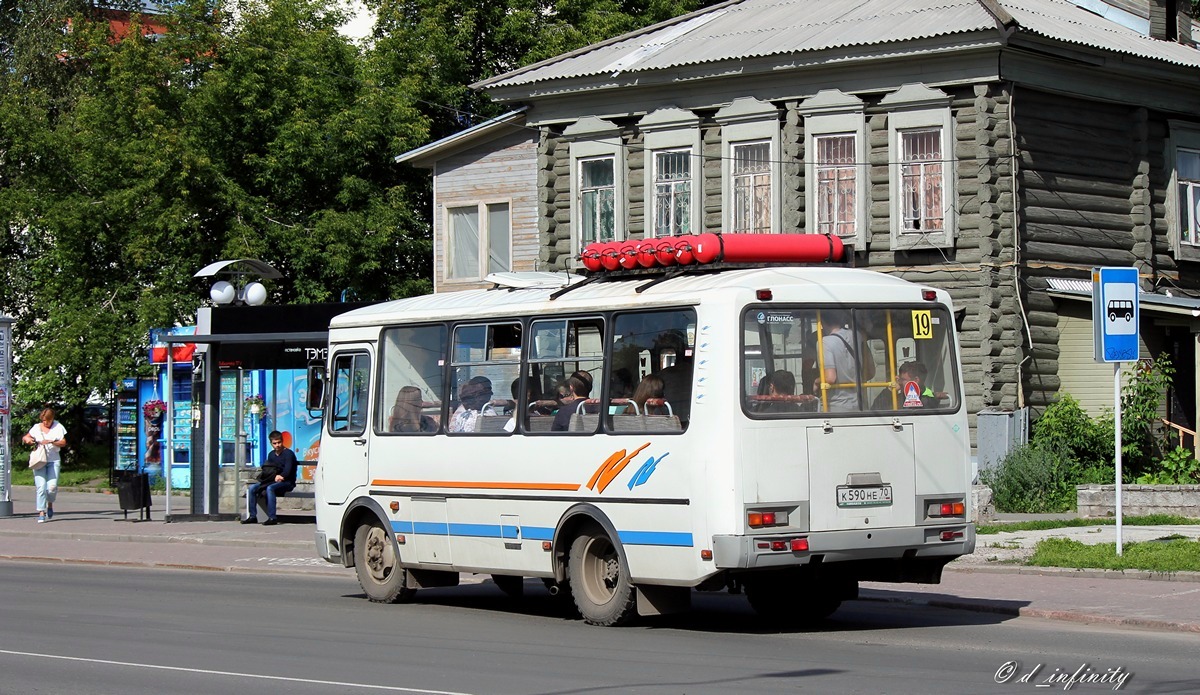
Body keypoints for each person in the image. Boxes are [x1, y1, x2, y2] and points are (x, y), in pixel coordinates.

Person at [242, 431, 297, 526]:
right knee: (252, 488)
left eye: (279, 442)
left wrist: (281, 476)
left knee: (270, 488)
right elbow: (269, 469)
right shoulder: (271, 454)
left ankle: (272, 517)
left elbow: (288, 471)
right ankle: (252, 516)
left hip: (287, 482)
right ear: (271, 443)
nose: (277, 445)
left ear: (282, 441)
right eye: (275, 443)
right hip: (271, 480)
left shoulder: (289, 454)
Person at [23, 407, 66, 523]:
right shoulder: (37, 428)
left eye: (47, 421)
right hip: (39, 460)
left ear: (52, 419)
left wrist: (52, 441)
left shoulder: (58, 427)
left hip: (53, 460)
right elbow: (26, 437)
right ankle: (41, 512)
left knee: (51, 487)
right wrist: (29, 440)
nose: (45, 423)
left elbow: (63, 442)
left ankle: (50, 504)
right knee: (41, 487)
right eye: (43, 421)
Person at [820, 311, 863, 412]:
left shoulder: (825, 342)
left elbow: (830, 378)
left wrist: (817, 382)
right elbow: (870, 372)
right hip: (859, 403)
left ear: (821, 322)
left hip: (835, 405)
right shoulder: (857, 336)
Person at [873, 360, 939, 410]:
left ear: (916, 380)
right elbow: (875, 410)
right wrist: (889, 390)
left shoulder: (929, 401)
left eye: (903, 379)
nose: (899, 382)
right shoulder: (898, 398)